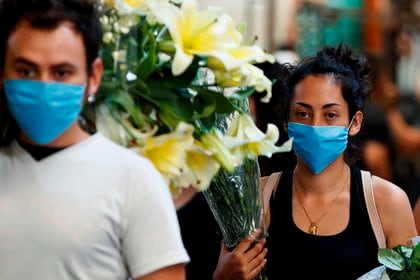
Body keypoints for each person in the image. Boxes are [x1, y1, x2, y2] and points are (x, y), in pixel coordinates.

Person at [0, 0, 189, 279]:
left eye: (62, 72)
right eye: (26, 71)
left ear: (93, 76)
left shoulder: (133, 179)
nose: (43, 85)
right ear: (2, 73)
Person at [213, 43, 417, 280]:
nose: (315, 125)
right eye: (303, 113)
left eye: (330, 115)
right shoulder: (257, 201)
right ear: (287, 123)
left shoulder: (387, 204)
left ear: (355, 122)